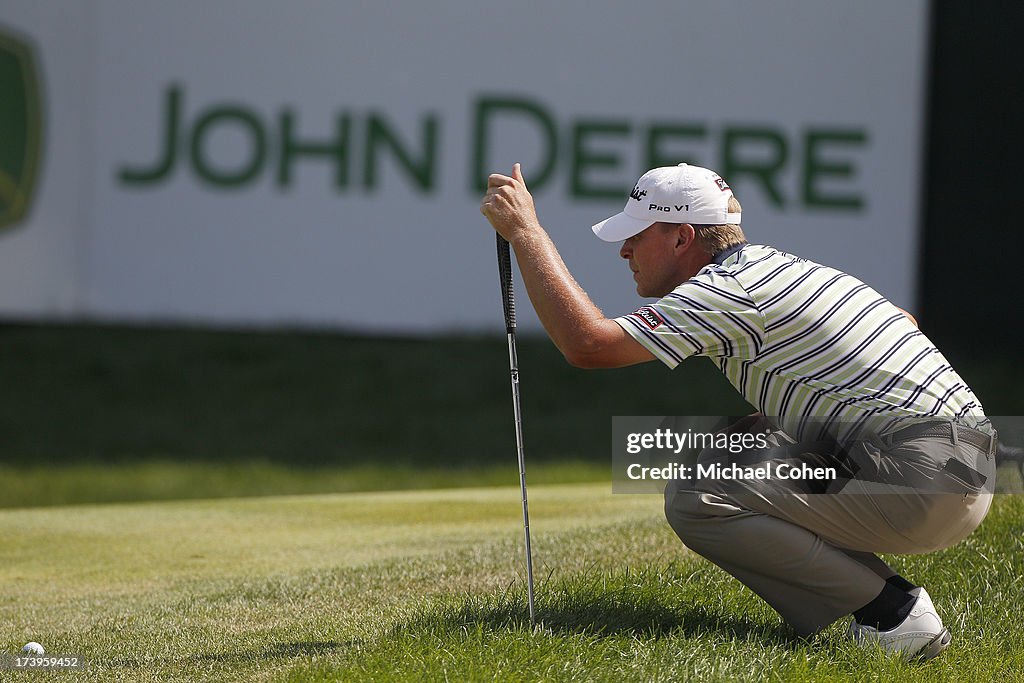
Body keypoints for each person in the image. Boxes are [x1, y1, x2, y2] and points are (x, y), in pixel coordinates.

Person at [480, 162, 996, 661]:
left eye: (637, 235)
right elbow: (900, 320)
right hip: (970, 461)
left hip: (925, 479)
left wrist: (527, 232)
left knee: (697, 490)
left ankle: (892, 616)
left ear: (682, 238)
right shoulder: (784, 266)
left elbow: (589, 346)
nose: (625, 250)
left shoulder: (728, 289)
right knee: (734, 443)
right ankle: (887, 604)